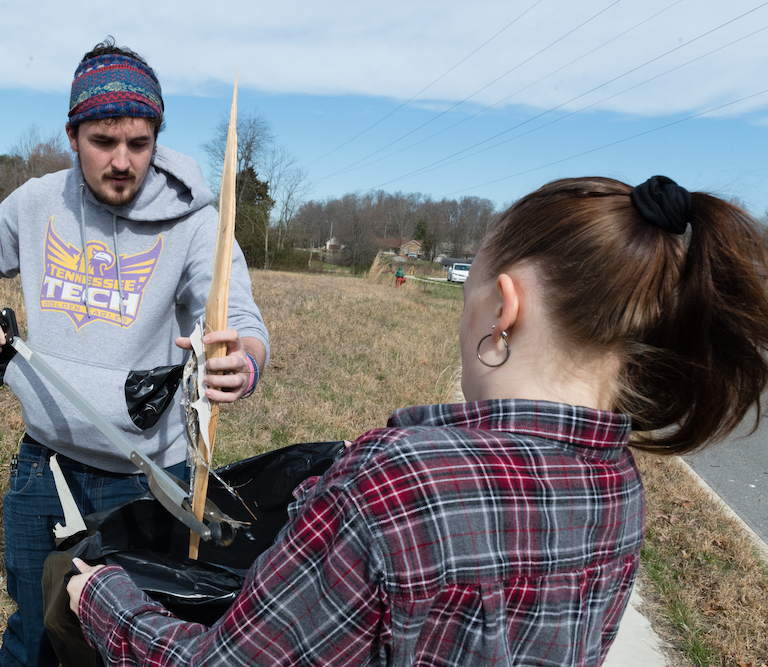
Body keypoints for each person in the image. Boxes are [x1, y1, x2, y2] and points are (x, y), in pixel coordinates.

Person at [66, 175, 768, 666]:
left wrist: (104, 596)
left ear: (504, 307)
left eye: (470, 300)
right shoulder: (618, 482)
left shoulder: (397, 487)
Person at [0, 39, 269, 667]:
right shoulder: (37, 202)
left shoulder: (196, 221)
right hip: (45, 467)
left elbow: (240, 321)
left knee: (133, 643)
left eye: (139, 143)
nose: (123, 161)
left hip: (149, 481)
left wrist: (245, 362)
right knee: (33, 631)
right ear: (72, 135)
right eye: (103, 141)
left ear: (156, 135)